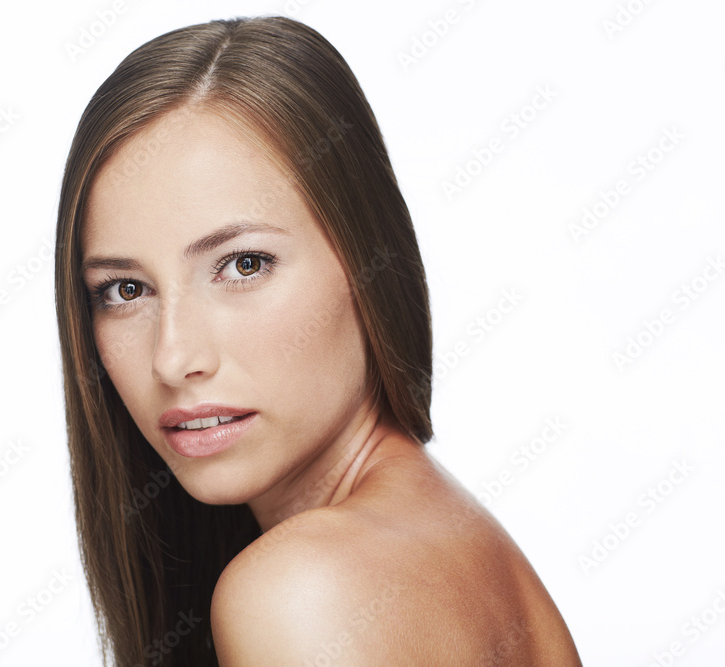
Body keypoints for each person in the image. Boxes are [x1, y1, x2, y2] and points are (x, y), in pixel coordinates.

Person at [55, 15, 581, 666]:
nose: (174, 357)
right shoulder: (451, 537)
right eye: (125, 290)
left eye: (244, 264)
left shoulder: (301, 590)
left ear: (368, 262)